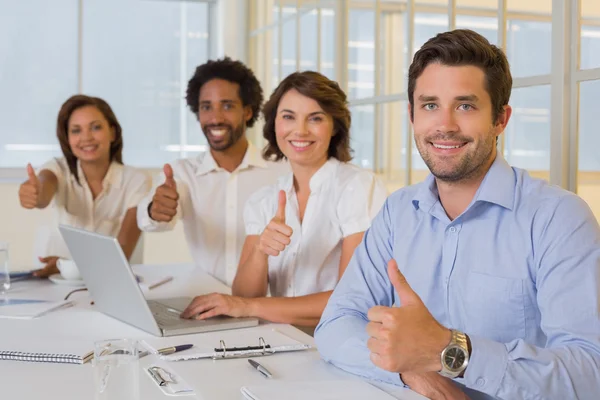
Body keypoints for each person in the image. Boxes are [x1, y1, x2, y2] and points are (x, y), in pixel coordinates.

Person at [315, 29, 600, 400]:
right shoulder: (398, 212)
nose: (445, 124)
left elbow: (589, 373)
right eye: (430, 105)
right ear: (412, 115)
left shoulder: (558, 218)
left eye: (465, 105)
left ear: (501, 119)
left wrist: (450, 352)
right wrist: (412, 374)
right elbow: (335, 324)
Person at [180, 71, 387, 328]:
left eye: (315, 118)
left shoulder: (358, 186)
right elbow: (242, 297)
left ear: (334, 126)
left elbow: (351, 299)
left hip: (340, 339)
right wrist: (259, 251)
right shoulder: (263, 201)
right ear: (274, 124)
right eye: (288, 117)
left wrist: (248, 306)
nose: (299, 131)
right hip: (281, 338)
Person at [137, 58, 287, 286]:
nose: (215, 118)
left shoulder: (281, 170)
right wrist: (155, 210)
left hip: (267, 305)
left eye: (227, 106)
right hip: (206, 301)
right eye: (206, 107)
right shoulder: (182, 173)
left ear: (247, 112)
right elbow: (150, 221)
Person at [18, 95, 151, 277]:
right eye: (76, 130)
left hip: (111, 280)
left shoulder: (136, 180)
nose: (86, 137)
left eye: (95, 127)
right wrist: (34, 193)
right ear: (67, 137)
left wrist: (66, 265)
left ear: (112, 132)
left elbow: (121, 253)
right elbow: (43, 189)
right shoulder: (58, 169)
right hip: (56, 281)